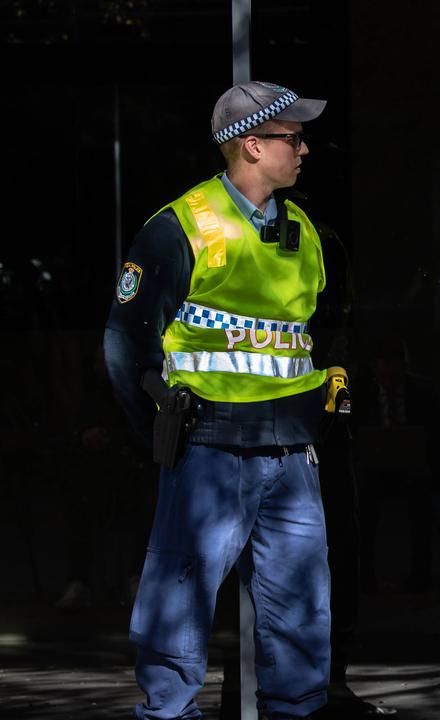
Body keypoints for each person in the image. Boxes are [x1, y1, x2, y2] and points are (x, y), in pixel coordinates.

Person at [105, 80, 335, 720]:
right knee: (178, 604)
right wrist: (157, 431)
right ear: (253, 145)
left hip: (292, 452)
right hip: (209, 446)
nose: (305, 150)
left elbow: (305, 331)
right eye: (293, 138)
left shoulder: (303, 229)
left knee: (302, 611)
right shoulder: (180, 226)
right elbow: (125, 342)